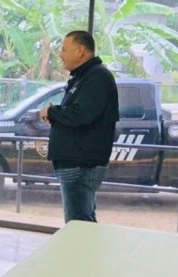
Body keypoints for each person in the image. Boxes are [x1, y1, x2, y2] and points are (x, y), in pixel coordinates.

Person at [38, 30, 118, 223]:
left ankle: (81, 254)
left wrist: (52, 112)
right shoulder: (83, 77)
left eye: (64, 49)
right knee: (83, 222)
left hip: (81, 164)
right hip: (75, 162)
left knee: (78, 225)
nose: (60, 54)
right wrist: (56, 115)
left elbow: (81, 115)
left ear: (81, 50)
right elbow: (77, 112)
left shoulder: (97, 77)